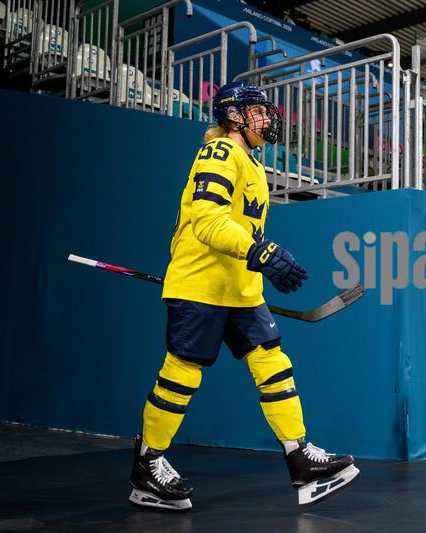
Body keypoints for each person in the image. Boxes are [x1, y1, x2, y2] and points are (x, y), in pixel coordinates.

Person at [129, 81, 359, 510]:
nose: (267, 118)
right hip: (200, 283)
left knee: (274, 364)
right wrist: (264, 252)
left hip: (240, 289)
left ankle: (299, 458)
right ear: (234, 116)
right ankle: (148, 464)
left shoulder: (252, 164)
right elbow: (207, 220)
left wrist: (258, 259)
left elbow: (238, 227)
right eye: (258, 111)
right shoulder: (220, 153)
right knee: (182, 375)